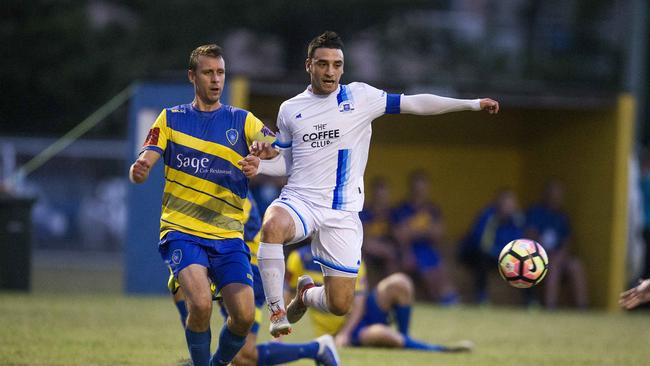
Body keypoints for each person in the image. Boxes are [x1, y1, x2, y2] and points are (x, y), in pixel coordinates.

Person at [238, 30, 499, 337]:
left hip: (343, 211)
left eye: (337, 64)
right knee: (272, 224)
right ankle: (276, 310)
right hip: (301, 200)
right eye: (323, 64)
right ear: (309, 64)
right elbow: (287, 160)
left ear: (343, 67)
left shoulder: (360, 97)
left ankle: (306, 295)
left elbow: (415, 103)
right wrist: (263, 165)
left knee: (339, 303)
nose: (330, 71)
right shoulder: (290, 109)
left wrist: (471, 104)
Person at [128, 44, 275, 366]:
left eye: (220, 72)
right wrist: (140, 169)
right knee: (202, 305)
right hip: (182, 230)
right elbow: (146, 159)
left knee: (244, 317)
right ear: (192, 76)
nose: (215, 79)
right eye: (208, 72)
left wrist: (263, 152)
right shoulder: (170, 118)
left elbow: (273, 144)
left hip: (228, 236)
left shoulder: (242, 119)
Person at [168, 194, 340, 366]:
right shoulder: (194, 191)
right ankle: (201, 360)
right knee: (180, 279)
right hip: (221, 260)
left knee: (243, 356)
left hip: (249, 268)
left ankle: (317, 348)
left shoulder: (232, 192)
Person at [286, 245, 473, 353]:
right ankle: (437, 349)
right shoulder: (299, 259)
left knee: (401, 283)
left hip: (358, 316)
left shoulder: (349, 255)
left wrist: (346, 333)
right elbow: (289, 294)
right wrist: (280, 326)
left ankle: (405, 337)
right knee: (382, 334)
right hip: (337, 331)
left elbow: (359, 299)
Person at [391, 170, 459, 304]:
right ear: (411, 188)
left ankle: (450, 298)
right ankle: (442, 299)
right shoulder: (401, 209)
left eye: (423, 188)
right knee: (425, 269)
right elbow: (399, 235)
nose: (420, 192)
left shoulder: (432, 209)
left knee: (441, 270)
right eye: (417, 188)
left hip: (429, 248)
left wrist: (412, 231)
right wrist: (426, 231)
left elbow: (438, 233)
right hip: (409, 250)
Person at [525, 181, 588, 309]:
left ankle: (583, 306)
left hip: (559, 257)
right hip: (538, 257)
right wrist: (545, 253)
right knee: (553, 265)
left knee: (576, 265)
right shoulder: (536, 212)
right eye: (554, 195)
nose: (557, 199)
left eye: (559, 196)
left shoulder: (562, 217)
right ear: (546, 195)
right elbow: (530, 236)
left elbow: (567, 242)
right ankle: (551, 306)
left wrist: (562, 254)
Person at [459, 189, 524, 303]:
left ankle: (530, 300)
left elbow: (518, 243)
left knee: (526, 263)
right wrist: (502, 255)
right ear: (499, 203)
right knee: (482, 258)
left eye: (512, 204)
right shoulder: (488, 216)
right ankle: (481, 296)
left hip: (502, 256)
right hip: (476, 253)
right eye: (506, 204)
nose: (509, 207)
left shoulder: (517, 220)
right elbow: (482, 244)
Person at [359, 177, 399, 286]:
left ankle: (392, 291)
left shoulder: (392, 213)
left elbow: (399, 236)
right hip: (367, 251)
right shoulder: (364, 212)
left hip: (388, 254)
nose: (381, 197)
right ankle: (363, 291)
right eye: (378, 194)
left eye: (383, 194)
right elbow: (361, 238)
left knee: (393, 257)